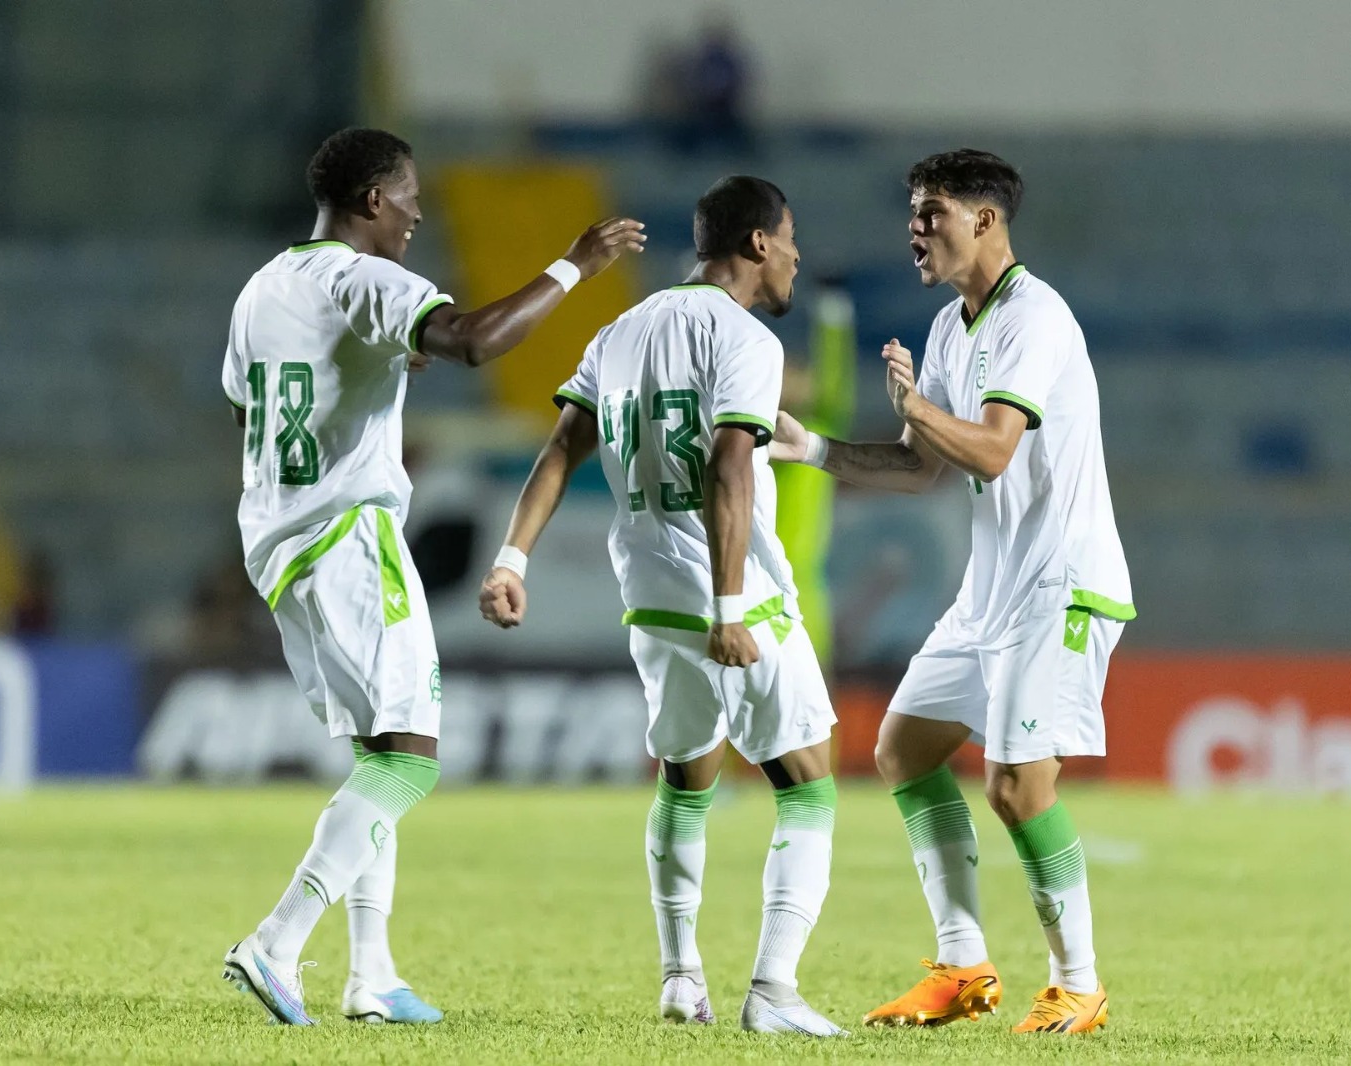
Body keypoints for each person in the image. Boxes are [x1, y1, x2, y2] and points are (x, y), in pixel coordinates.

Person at [218, 126, 644, 1026]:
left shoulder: (262, 289)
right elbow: (480, 341)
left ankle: (370, 976)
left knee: (378, 750)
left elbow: (256, 394)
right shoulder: (363, 275)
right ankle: (277, 941)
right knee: (411, 760)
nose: (418, 217)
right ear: (373, 199)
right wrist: (573, 267)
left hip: (278, 539)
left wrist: (373, 363)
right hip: (348, 531)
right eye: (409, 199)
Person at [770, 149, 1134, 1035]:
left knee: (1017, 788)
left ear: (985, 220)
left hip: (1060, 586)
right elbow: (922, 464)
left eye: (930, 210)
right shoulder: (948, 328)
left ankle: (1079, 983)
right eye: (911, 210)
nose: (914, 226)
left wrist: (919, 409)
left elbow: (995, 447)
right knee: (903, 750)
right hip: (993, 589)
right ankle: (965, 967)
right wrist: (811, 447)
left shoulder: (1036, 319)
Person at [478, 177, 842, 1037]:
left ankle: (682, 976)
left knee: (686, 781)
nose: (796, 255)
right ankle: (774, 992)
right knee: (810, 789)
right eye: (790, 238)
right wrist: (728, 606)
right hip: (730, 598)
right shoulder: (743, 341)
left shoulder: (619, 331)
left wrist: (511, 558)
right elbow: (728, 467)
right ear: (757, 243)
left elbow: (563, 447)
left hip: (646, 596)